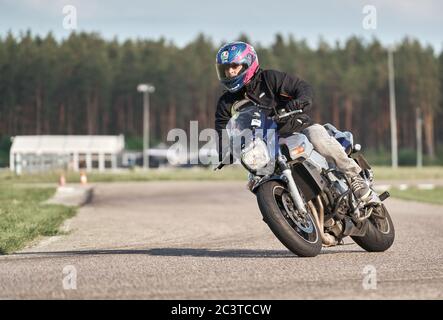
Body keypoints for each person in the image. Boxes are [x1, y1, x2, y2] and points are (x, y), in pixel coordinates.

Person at [214, 41, 371, 202]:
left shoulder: (269, 78)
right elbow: (221, 130)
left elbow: (301, 88)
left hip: (296, 127)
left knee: (317, 136)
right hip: (265, 146)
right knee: (254, 179)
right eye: (226, 69)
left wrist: (299, 101)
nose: (230, 72)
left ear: (248, 63)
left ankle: (354, 176)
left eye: (234, 66)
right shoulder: (226, 103)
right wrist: (224, 151)